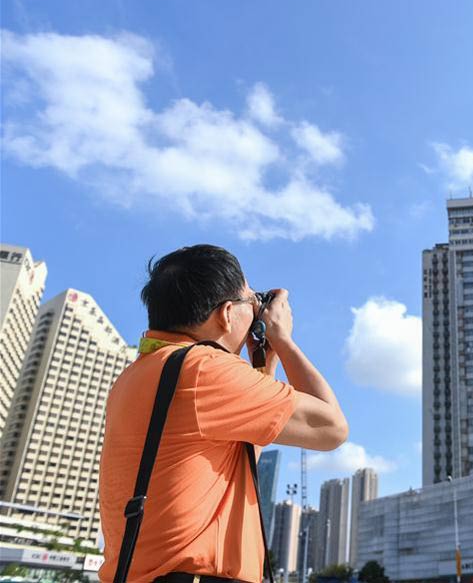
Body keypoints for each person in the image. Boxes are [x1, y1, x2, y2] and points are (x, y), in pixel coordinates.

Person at [99, 245, 348, 582]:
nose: (257, 312)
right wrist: (283, 338)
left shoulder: (140, 374)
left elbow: (240, 455)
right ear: (227, 313)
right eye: (252, 301)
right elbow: (330, 428)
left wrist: (263, 365)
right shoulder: (205, 370)